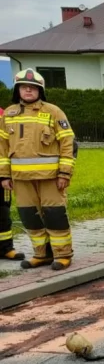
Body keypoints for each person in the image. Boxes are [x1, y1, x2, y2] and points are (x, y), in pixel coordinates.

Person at [0, 69, 76, 270]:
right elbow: (2, 147)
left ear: (40, 91)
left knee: (55, 215)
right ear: (17, 90)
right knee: (29, 217)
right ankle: (41, 254)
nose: (28, 90)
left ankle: (63, 255)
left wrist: (64, 173)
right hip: (20, 179)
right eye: (24, 86)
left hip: (50, 177)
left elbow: (68, 142)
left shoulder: (53, 111)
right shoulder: (8, 114)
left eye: (33, 87)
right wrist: (4, 175)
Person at [0, 105, 23, 261]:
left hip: (0, 174)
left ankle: (5, 248)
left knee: (2, 213)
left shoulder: (3, 114)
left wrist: (5, 175)